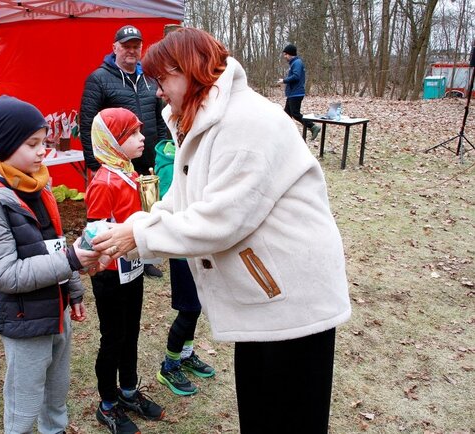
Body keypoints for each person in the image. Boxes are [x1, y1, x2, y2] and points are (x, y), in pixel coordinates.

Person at [91, 28, 352, 433]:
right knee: (259, 415)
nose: (158, 92)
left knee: (291, 419)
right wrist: (128, 231)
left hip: (293, 300)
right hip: (263, 297)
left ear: (188, 71)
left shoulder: (247, 123)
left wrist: (138, 238)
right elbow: (179, 201)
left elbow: (220, 220)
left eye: (162, 79)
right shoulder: (206, 121)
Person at [0, 95, 101, 434]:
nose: (43, 151)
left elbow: (52, 241)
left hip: (55, 308)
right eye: (32, 144)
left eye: (43, 142)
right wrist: (70, 260)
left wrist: (73, 289)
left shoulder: (36, 183)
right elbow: (5, 274)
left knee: (56, 390)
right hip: (23, 318)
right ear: (6, 144)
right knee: (24, 401)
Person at [85, 107, 165, 434]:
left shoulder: (130, 173)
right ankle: (107, 404)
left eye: (140, 131)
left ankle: (129, 391)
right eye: (132, 134)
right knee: (113, 337)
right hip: (110, 275)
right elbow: (95, 234)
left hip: (133, 268)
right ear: (111, 141)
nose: (141, 138)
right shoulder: (104, 182)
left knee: (131, 332)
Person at [79, 24, 168, 278]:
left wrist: (161, 150)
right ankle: (110, 259)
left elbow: (160, 118)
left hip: (147, 158)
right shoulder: (99, 79)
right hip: (115, 164)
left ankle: (144, 255)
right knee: (118, 215)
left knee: (145, 209)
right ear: (114, 48)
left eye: (136, 46)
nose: (131, 50)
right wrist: (95, 164)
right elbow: (87, 123)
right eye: (126, 46)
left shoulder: (150, 79)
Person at [153, 138, 215, 397]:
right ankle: (169, 365)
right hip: (183, 254)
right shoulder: (172, 165)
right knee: (188, 310)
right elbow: (175, 209)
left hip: (197, 250)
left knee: (196, 308)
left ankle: (186, 354)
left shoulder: (195, 155)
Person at [278, 43, 321, 141]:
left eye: (286, 54)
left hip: (296, 93)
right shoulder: (294, 63)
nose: (285, 56)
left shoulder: (297, 63)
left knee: (295, 114)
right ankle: (284, 135)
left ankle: (313, 127)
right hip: (292, 93)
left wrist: (284, 80)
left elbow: (296, 76)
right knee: (286, 115)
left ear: (290, 54)